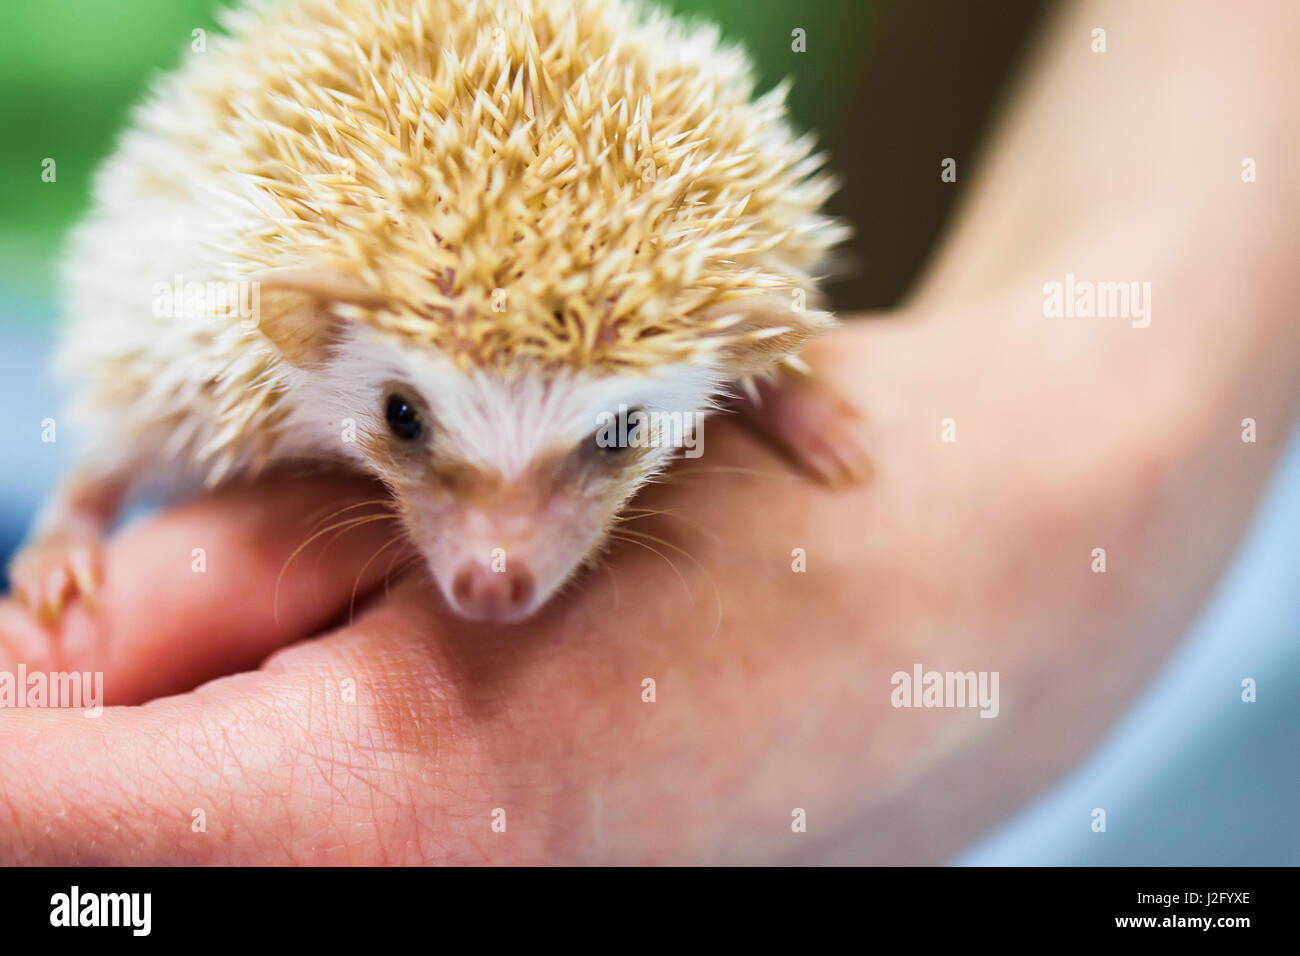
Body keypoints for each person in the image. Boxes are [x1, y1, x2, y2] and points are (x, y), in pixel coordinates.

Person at [0, 0, 1296, 863]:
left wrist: (1140, 410)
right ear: (309, 336)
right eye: (412, 425)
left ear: (722, 352)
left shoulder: (722, 311)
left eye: (606, 444)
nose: (495, 563)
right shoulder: (247, 303)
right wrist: (78, 513)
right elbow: (122, 414)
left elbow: (758, 324)